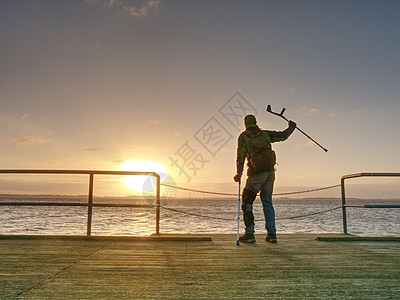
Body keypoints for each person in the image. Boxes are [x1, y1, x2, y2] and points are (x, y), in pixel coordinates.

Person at [234, 114, 296, 243]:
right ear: (255, 122)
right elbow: (283, 136)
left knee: (247, 201)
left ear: (245, 124)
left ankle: (250, 233)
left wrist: (239, 174)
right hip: (270, 173)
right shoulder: (265, 134)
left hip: (256, 174)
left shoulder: (244, 136)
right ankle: (272, 234)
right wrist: (291, 127)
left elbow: (240, 156)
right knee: (267, 202)